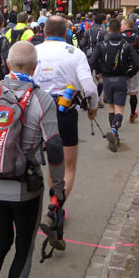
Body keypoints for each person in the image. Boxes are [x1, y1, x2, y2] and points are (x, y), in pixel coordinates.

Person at [0, 41, 66, 278]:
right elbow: (54, 146)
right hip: (26, 187)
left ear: (7, 64)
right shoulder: (42, 99)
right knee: (24, 247)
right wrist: (58, 188)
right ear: (35, 66)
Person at [34, 16, 98, 199]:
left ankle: (51, 200)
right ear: (65, 33)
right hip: (65, 111)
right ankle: (56, 205)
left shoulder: (33, 51)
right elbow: (90, 88)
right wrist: (92, 108)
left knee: (50, 162)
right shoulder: (75, 53)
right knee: (67, 166)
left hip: (37, 110)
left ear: (44, 32)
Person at [89, 19, 139, 152]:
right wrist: (129, 74)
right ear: (120, 30)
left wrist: (98, 72)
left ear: (109, 30)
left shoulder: (102, 45)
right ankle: (114, 130)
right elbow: (137, 63)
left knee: (111, 107)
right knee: (119, 109)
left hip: (106, 79)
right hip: (121, 79)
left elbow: (92, 61)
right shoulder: (126, 45)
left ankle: (114, 134)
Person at [121, 18, 139, 123]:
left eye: (122, 24)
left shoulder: (119, 38)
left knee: (121, 92)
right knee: (133, 92)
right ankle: (132, 113)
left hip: (122, 68)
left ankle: (118, 115)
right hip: (135, 67)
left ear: (126, 26)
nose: (120, 26)